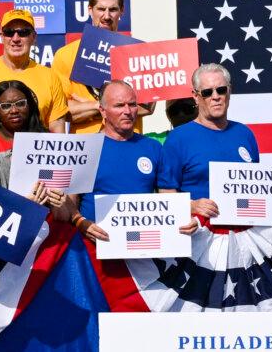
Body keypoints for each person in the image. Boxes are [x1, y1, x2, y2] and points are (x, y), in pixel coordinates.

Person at [159, 64, 272, 220]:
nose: (215, 96)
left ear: (229, 91)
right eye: (207, 92)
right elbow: (166, 192)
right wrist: (192, 206)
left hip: (245, 233)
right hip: (201, 234)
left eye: (221, 90)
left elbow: (256, 188)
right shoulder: (178, 138)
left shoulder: (244, 134)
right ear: (196, 97)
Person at [69, 80, 196, 241]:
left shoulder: (153, 147)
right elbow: (70, 200)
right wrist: (80, 222)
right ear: (102, 111)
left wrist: (184, 216)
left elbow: (168, 195)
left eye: (132, 104)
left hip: (140, 246)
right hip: (93, 247)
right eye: (119, 105)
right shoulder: (84, 149)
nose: (127, 111)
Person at [51, 0, 152, 134]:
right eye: (101, 9)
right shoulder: (65, 55)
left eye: (112, 9)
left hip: (128, 144)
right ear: (90, 10)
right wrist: (100, 105)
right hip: (85, 147)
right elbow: (63, 112)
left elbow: (147, 107)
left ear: (122, 11)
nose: (106, 16)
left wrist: (87, 107)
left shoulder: (137, 53)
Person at [0, 8, 68, 132]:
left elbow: (57, 126)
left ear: (33, 37)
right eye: (9, 32)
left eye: (23, 32)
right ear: (1, 36)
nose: (15, 38)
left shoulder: (50, 76)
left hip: (35, 149)